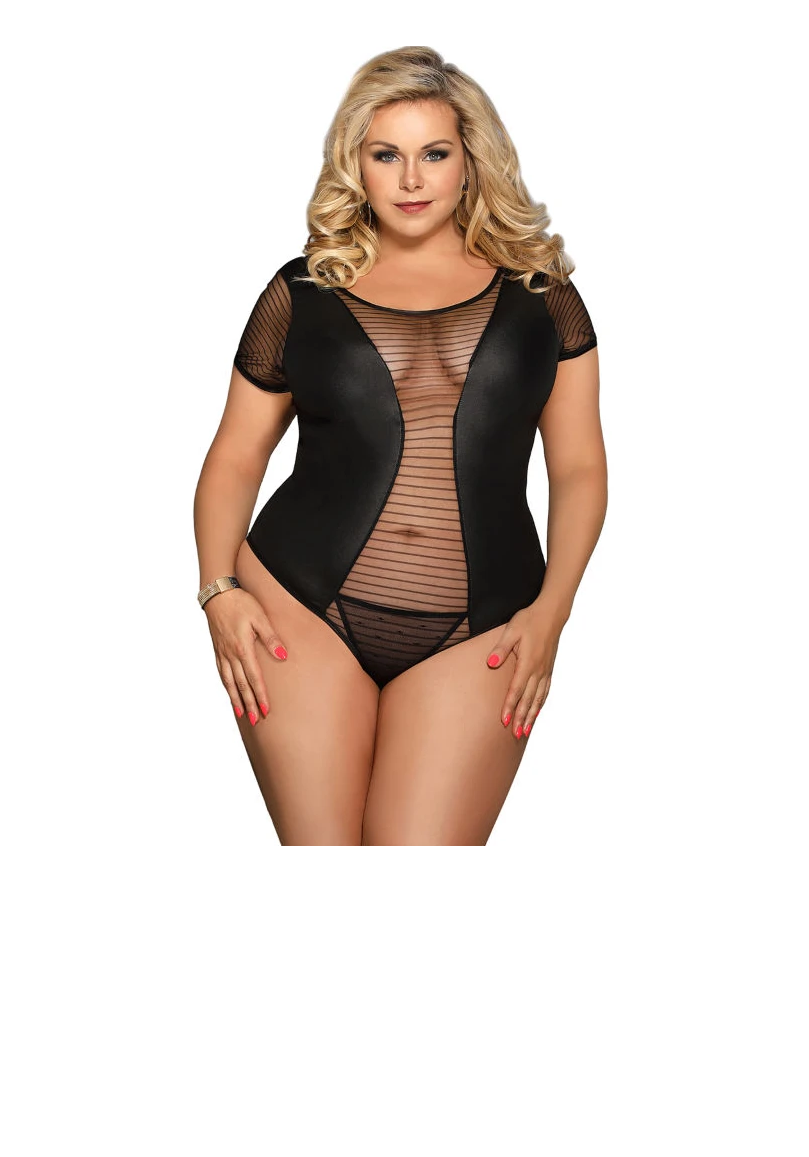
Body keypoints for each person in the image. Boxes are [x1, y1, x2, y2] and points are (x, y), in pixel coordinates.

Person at [193, 45, 608, 846]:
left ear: (470, 160)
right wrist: (219, 590)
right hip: (295, 605)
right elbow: (236, 455)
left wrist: (552, 615)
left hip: (487, 624)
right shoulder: (303, 288)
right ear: (355, 163)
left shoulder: (544, 294)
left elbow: (581, 468)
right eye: (386, 155)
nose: (411, 179)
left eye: (434, 154)